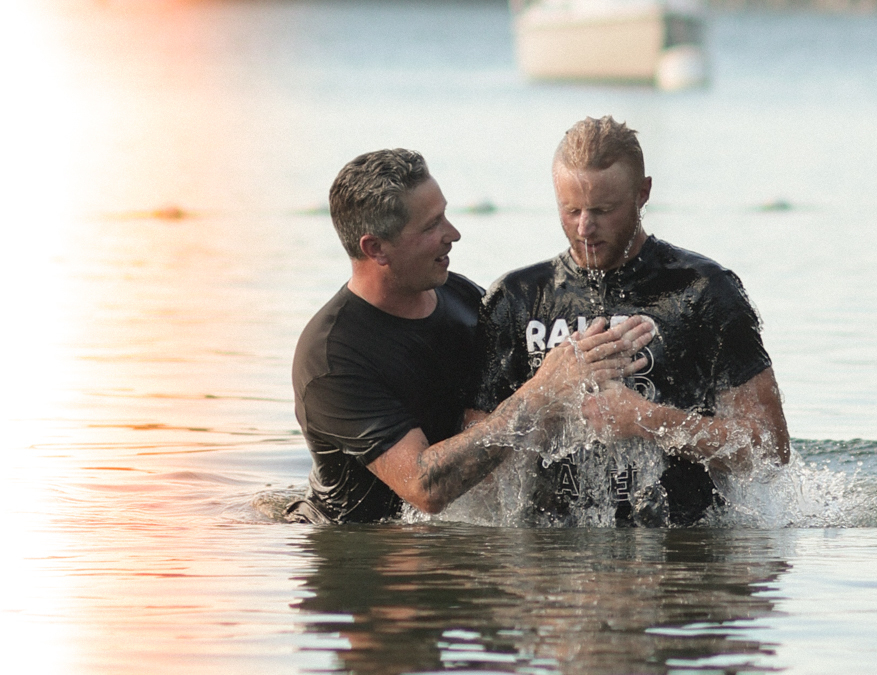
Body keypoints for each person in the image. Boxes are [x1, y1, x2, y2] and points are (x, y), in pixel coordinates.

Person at [287, 148, 654, 524]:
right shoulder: (332, 356)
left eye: (444, 215)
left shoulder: (461, 297)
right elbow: (425, 488)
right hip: (359, 548)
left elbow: (515, 409)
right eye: (431, 226)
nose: (454, 234)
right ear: (375, 248)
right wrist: (543, 390)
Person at [471, 116, 790, 527]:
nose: (585, 228)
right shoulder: (516, 299)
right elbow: (471, 442)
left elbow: (770, 447)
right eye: (571, 210)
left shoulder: (703, 292)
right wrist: (542, 402)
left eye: (603, 210)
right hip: (552, 549)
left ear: (643, 194)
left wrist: (645, 418)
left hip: (682, 546)